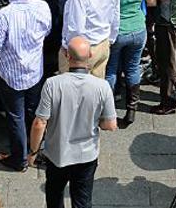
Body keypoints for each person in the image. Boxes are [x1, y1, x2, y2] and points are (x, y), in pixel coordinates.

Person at [29, 35, 116, 208]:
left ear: (67, 55)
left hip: (57, 154)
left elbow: (40, 123)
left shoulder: (52, 84)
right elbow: (110, 125)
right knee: (82, 201)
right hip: (86, 155)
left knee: (54, 196)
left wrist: (33, 151)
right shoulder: (102, 86)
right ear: (90, 55)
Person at [0, 0, 52, 172]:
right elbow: (47, 31)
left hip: (10, 75)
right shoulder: (42, 7)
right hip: (34, 71)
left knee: (16, 117)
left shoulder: (4, 15)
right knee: (32, 111)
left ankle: (19, 159)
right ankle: (35, 149)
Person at [106, 0, 152, 127]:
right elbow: (151, 1)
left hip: (119, 31)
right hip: (139, 29)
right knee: (133, 68)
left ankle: (108, 109)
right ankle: (132, 109)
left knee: (111, 69)